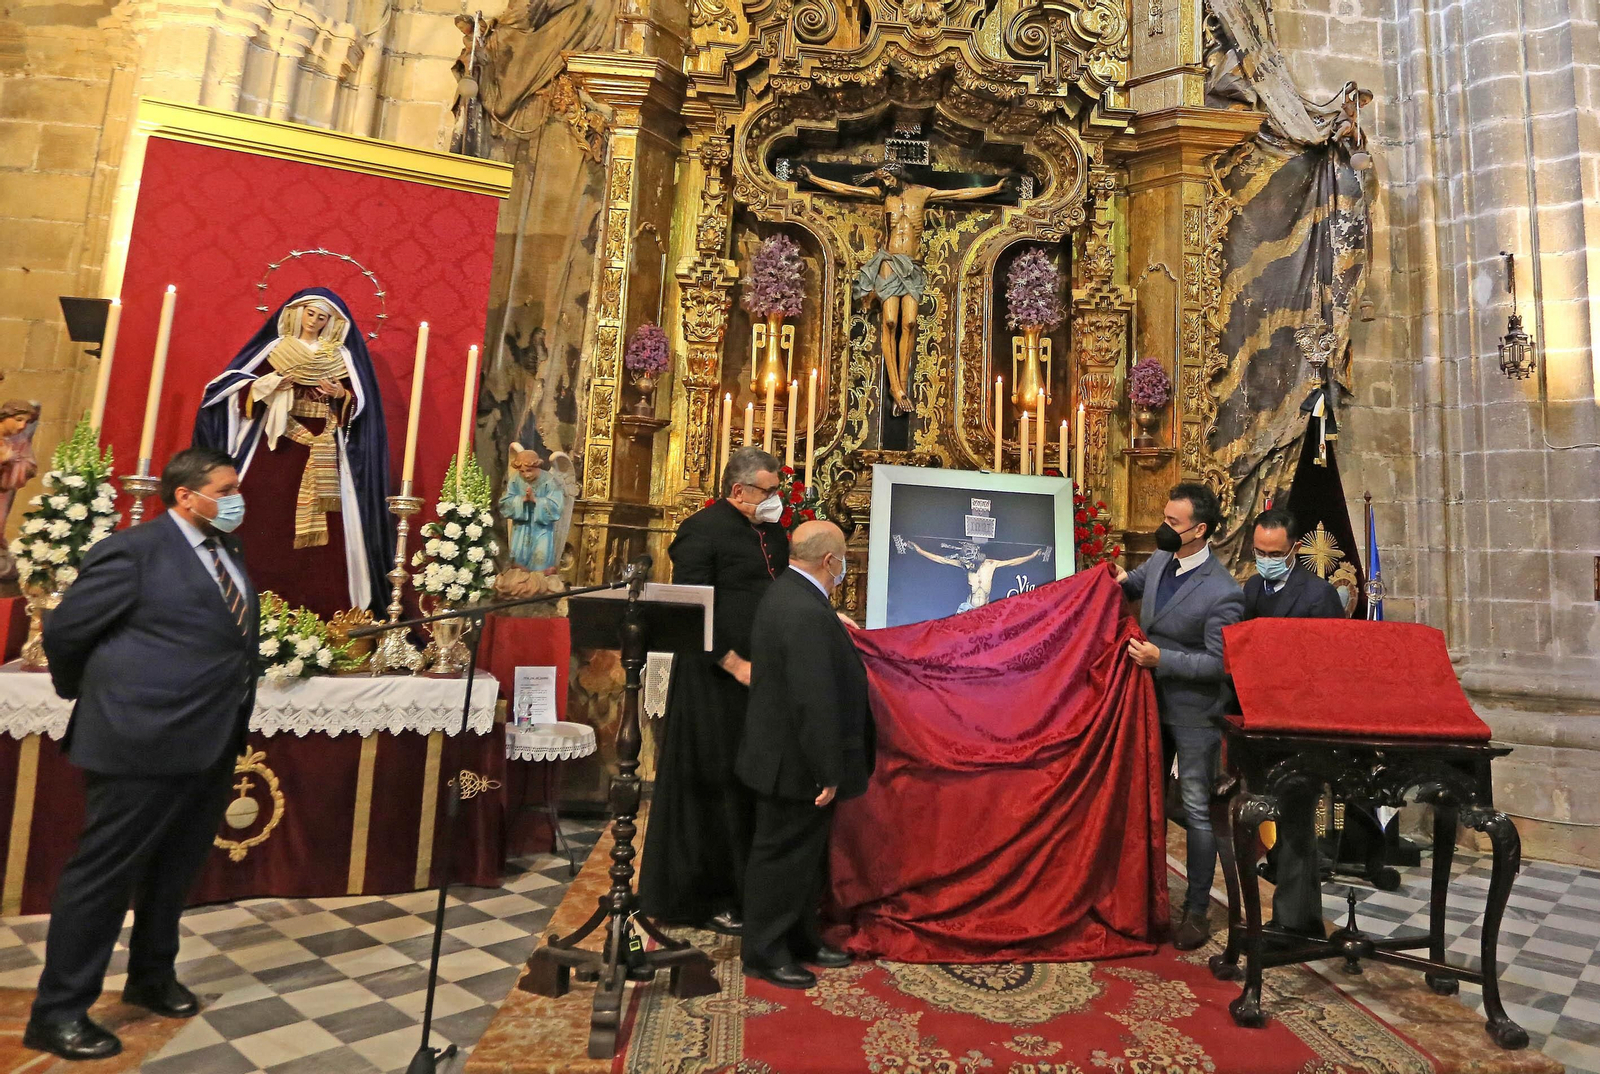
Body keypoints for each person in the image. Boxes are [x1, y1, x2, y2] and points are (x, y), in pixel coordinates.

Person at [24, 448, 258, 1061]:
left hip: (208, 739)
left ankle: (151, 976)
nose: (238, 498)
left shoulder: (225, 550)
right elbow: (67, 631)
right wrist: (104, 697)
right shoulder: (135, 549)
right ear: (187, 495)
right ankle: (59, 1012)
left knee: (174, 869)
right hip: (138, 739)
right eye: (227, 488)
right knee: (103, 876)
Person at [639, 447, 789, 934]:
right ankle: (705, 896)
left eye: (777, 490)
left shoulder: (772, 533)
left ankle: (749, 890)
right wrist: (732, 662)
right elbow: (692, 610)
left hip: (761, 675)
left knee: (752, 782)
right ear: (739, 491)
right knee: (716, 783)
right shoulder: (702, 531)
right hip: (713, 681)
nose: (776, 499)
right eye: (768, 490)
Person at [193, 288, 392, 617]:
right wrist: (267, 385)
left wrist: (339, 393)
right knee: (266, 516)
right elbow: (232, 390)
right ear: (296, 313)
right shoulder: (276, 349)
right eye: (310, 313)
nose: (314, 321)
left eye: (322, 317)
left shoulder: (341, 357)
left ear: (332, 322)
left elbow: (359, 406)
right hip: (277, 443)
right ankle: (248, 607)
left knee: (332, 535)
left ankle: (326, 614)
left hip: (325, 446)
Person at [737, 520, 873, 989]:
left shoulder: (794, 596)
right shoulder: (803, 609)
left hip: (788, 757)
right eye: (843, 559)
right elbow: (812, 700)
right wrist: (827, 771)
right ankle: (764, 952)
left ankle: (800, 937)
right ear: (831, 561)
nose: (844, 567)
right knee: (780, 860)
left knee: (804, 859)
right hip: (792, 762)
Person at [1114, 482, 1243, 950]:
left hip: (1192, 713)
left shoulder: (1222, 591)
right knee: (1144, 800)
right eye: (1164, 517)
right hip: (1147, 703)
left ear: (1200, 530)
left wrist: (1160, 659)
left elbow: (1219, 664)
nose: (1162, 528)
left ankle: (1195, 910)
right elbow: (1127, 585)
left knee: (1194, 809)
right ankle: (1142, 898)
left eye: (1173, 523)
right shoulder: (1160, 560)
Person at [1243, 507, 1345, 938]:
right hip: (1259, 720)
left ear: (1294, 550)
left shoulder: (1318, 596)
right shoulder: (1251, 588)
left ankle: (1290, 923)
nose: (1266, 559)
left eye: (1275, 553)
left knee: (1298, 824)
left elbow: (1330, 665)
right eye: (1259, 551)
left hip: (1300, 724)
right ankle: (1301, 918)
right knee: (1280, 826)